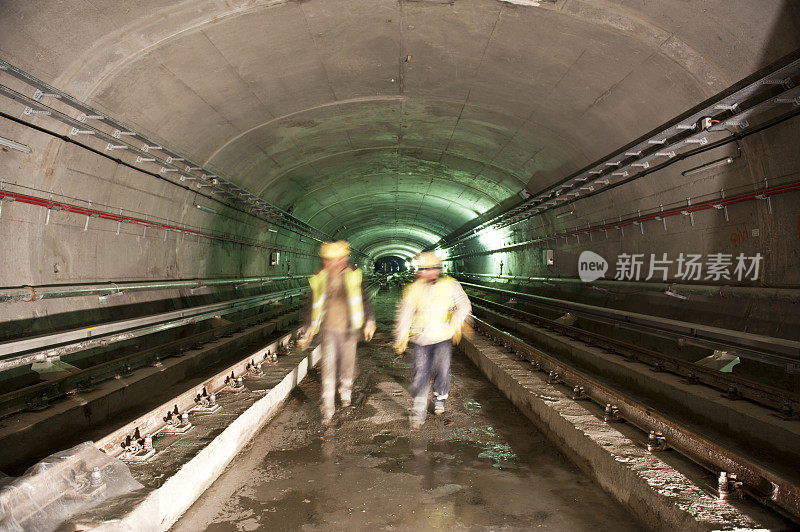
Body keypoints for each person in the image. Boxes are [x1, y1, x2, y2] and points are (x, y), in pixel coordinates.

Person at [299, 241, 376, 424]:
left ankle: (345, 391)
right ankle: (327, 405)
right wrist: (308, 327)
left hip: (349, 329)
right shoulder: (320, 278)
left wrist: (370, 320)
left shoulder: (353, 277)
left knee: (347, 364)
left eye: (335, 260)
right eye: (327, 260)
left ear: (343, 259)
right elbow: (311, 304)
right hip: (328, 330)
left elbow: (363, 300)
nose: (331, 264)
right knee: (328, 366)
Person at [394, 252, 472, 429]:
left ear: (437, 270)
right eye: (422, 270)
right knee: (420, 371)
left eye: (429, 269)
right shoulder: (414, 289)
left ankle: (439, 399)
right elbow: (405, 313)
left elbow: (464, 305)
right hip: (420, 338)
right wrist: (401, 336)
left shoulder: (451, 285)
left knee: (443, 370)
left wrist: (456, 324)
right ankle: (419, 406)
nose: (426, 273)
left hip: (442, 336)